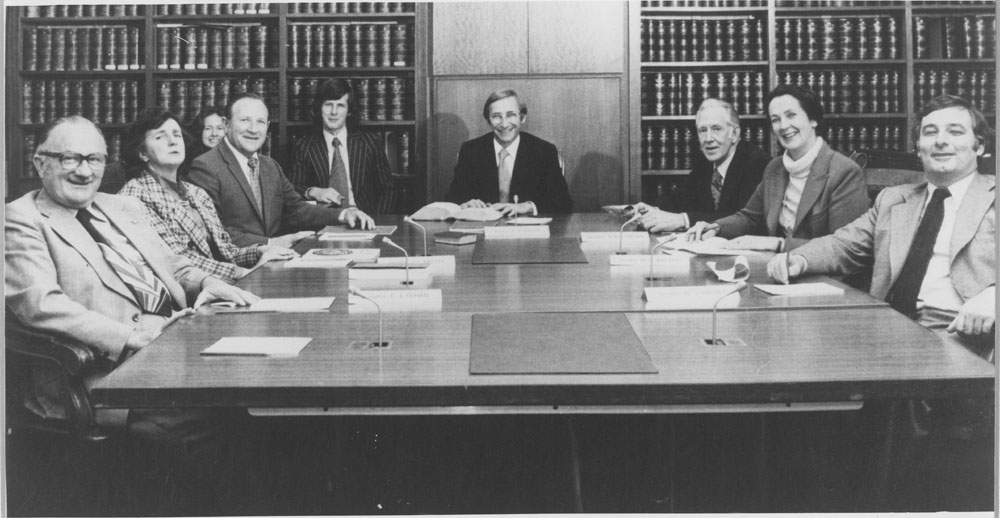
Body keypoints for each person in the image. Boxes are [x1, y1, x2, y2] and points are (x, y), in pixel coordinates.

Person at [5, 116, 258, 504]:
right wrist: (130, 336)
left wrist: (207, 283)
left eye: (94, 159)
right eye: (70, 158)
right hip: (102, 375)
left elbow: (169, 262)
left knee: (251, 406)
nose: (84, 170)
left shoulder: (121, 206)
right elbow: (40, 304)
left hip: (174, 348)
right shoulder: (20, 219)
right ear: (41, 162)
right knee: (208, 423)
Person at [767, 94, 995, 509]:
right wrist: (797, 258)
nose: (940, 141)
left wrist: (995, 296)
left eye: (955, 131)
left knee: (898, 399)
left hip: (962, 334)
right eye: (930, 132)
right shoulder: (895, 200)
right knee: (798, 377)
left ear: (980, 146)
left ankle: (883, 504)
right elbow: (844, 244)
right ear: (918, 148)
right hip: (890, 329)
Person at [119, 108, 296, 283]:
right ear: (142, 153)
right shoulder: (135, 195)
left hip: (223, 284)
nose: (173, 142)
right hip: (186, 296)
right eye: (160, 137)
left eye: (177, 135)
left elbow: (226, 251)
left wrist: (261, 251)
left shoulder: (196, 193)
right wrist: (244, 273)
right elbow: (178, 260)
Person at [686, 85, 869, 251]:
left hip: (825, 279)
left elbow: (845, 246)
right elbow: (748, 217)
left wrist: (779, 244)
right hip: (780, 271)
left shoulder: (844, 172)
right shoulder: (775, 167)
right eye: (776, 119)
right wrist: (716, 227)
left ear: (813, 119)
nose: (783, 126)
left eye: (791, 115)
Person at [187, 93, 374, 248]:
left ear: (267, 127)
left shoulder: (270, 166)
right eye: (245, 120)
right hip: (236, 268)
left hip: (274, 262)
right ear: (227, 124)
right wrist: (271, 243)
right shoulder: (206, 167)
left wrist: (344, 214)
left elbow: (298, 210)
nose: (253, 129)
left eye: (260, 122)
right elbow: (214, 230)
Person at [636, 98, 771, 232]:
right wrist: (653, 210)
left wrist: (683, 220)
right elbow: (680, 198)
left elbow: (741, 219)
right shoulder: (706, 161)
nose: (708, 139)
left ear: (734, 134)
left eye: (716, 129)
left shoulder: (757, 163)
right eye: (702, 130)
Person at [445, 89, 573, 216]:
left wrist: (528, 206)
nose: (504, 124)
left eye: (510, 115)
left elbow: (563, 203)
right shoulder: (471, 151)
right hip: (483, 231)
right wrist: (465, 204)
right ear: (488, 120)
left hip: (528, 231)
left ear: (522, 118)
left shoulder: (544, 151)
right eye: (496, 117)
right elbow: (452, 200)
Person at [287, 78, 396, 215]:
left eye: (340, 105)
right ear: (319, 109)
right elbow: (292, 189)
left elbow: (387, 189)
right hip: (323, 222)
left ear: (349, 111)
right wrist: (312, 191)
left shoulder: (370, 142)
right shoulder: (304, 146)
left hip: (364, 221)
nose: (334, 112)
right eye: (328, 105)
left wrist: (378, 222)